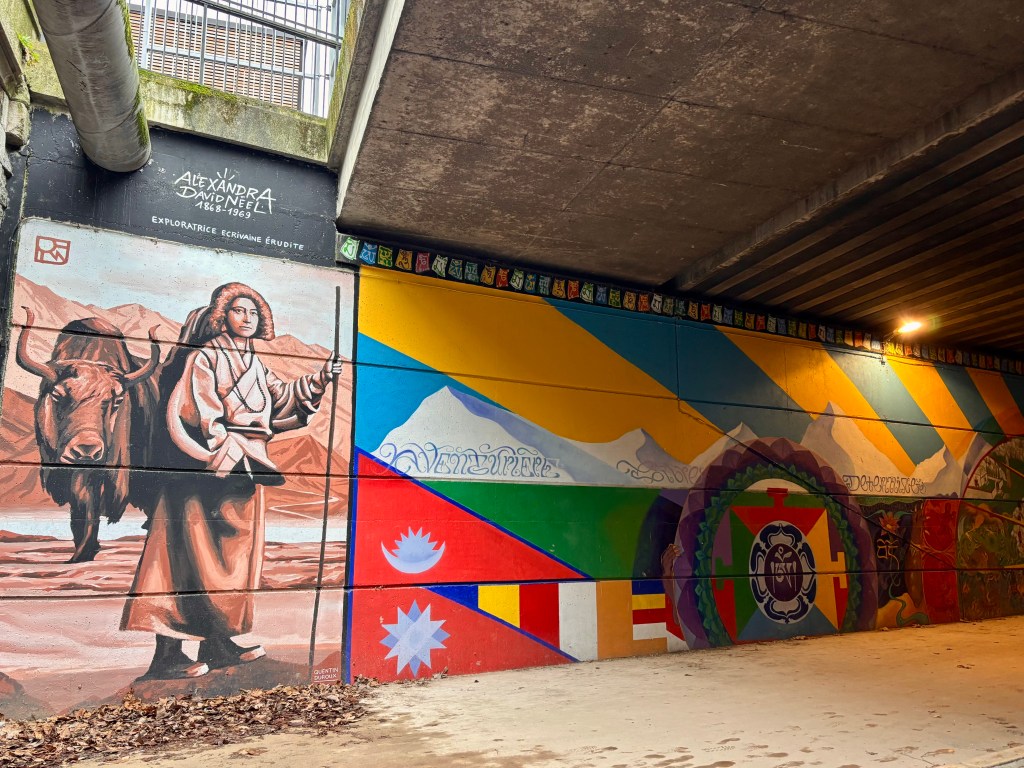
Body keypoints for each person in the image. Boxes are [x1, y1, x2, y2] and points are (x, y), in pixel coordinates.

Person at [121, 282, 343, 679]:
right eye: (239, 311)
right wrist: (225, 447)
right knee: (184, 562)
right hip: (207, 472)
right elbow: (197, 409)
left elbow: (278, 399)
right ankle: (168, 655)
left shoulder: (254, 361)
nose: (247, 318)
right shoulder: (205, 357)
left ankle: (218, 643)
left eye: (253, 313)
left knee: (233, 563)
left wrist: (319, 379)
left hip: (248, 466)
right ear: (223, 316)